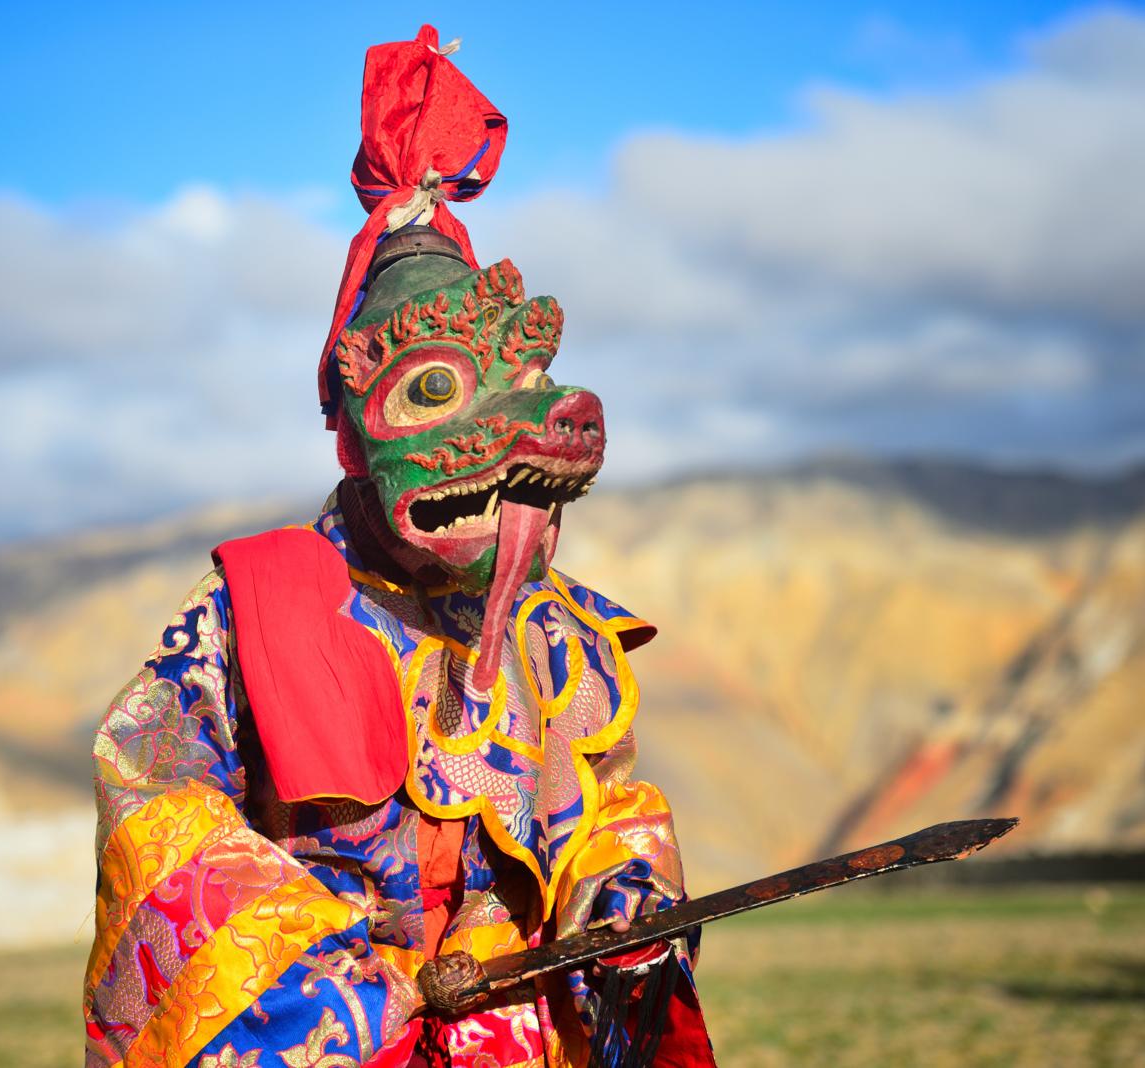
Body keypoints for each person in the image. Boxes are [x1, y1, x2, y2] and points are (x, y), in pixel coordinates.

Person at [82, 26, 715, 1068]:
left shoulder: (558, 632)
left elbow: (604, 807)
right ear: (357, 426)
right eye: (434, 394)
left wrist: (623, 912)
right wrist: (331, 982)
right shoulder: (256, 606)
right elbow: (151, 803)